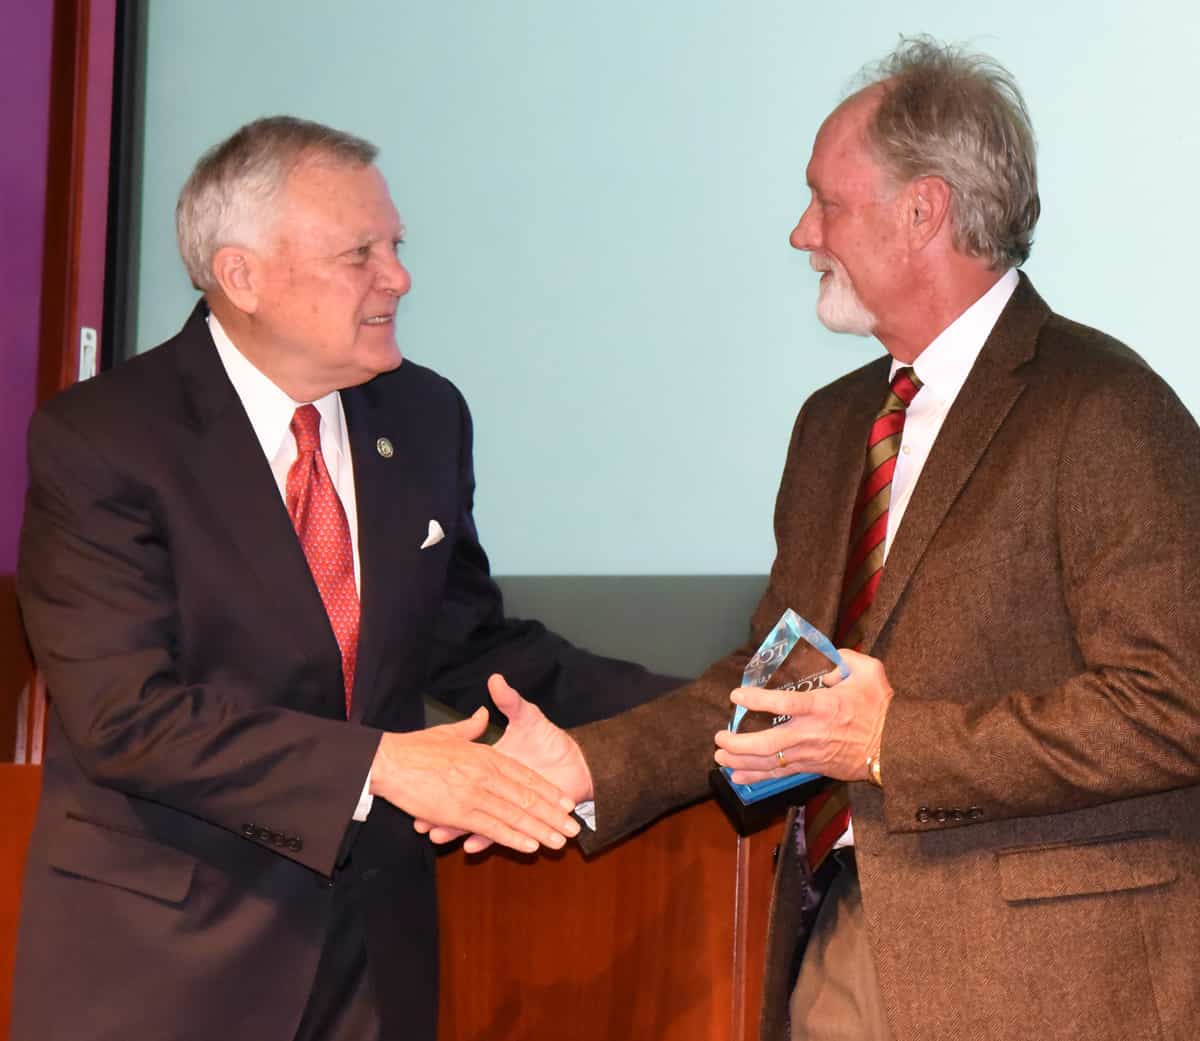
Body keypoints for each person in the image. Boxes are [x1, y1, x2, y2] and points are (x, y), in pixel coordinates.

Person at [452, 37, 1200, 1041]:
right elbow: (778, 689)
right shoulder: (835, 423)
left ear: (923, 210)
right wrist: (589, 766)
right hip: (846, 938)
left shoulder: (1104, 407)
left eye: (827, 202)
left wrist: (894, 741)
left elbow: (1172, 704)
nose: (801, 232)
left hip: (1058, 978)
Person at [11, 116, 676, 1041]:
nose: (397, 276)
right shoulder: (106, 439)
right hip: (161, 969)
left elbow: (469, 644)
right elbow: (127, 717)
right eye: (359, 251)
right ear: (240, 275)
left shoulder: (424, 413)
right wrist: (385, 764)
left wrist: (711, 707)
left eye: (395, 246)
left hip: (371, 968)